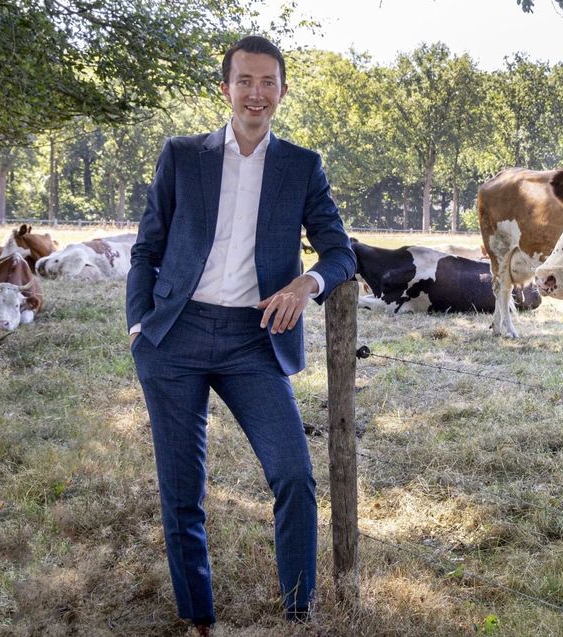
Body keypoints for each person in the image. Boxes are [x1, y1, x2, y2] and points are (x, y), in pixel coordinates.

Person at [126, 35, 356, 633]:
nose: (256, 93)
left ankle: (299, 611)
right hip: (173, 338)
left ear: (282, 90)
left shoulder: (302, 166)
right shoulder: (182, 155)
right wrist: (137, 325)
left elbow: (339, 252)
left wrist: (306, 286)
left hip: (254, 339)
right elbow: (147, 248)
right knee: (182, 489)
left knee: (294, 476)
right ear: (225, 88)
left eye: (268, 82)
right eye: (245, 81)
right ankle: (198, 618)